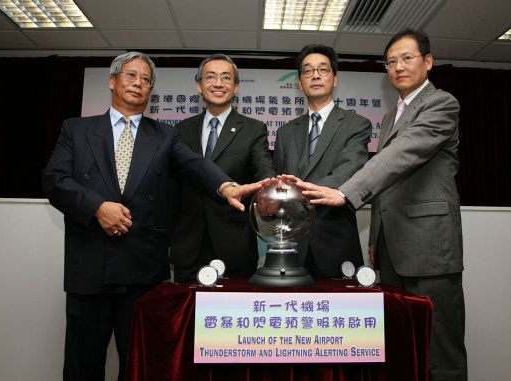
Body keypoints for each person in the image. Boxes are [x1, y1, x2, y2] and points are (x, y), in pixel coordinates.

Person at [43, 51, 263, 381]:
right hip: (89, 268)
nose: (139, 83)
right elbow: (55, 180)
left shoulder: (163, 135)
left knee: (140, 366)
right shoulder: (76, 129)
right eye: (131, 76)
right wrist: (97, 207)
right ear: (112, 81)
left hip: (141, 272)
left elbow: (194, 165)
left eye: (146, 80)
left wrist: (226, 186)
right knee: (82, 365)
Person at [289, 29, 468, 380]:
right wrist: (375, 237)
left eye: (407, 58)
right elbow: (388, 179)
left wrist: (344, 193)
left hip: (430, 248)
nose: (399, 66)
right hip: (392, 248)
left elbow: (403, 156)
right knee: (403, 345)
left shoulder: (441, 104)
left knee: (440, 351)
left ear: (428, 62)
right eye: (391, 61)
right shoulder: (390, 118)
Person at [170, 54, 276, 283]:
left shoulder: (253, 129)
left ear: (236, 86)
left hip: (235, 244)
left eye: (226, 78)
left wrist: (269, 189)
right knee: (184, 315)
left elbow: (263, 167)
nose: (218, 83)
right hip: (188, 245)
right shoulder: (180, 130)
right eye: (210, 77)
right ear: (199, 85)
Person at [273, 44, 372, 278]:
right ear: (299, 82)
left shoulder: (356, 125)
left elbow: (349, 170)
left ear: (335, 79)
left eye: (323, 70)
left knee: (340, 313)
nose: (315, 75)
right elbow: (279, 182)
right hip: (291, 243)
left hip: (335, 240)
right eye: (307, 71)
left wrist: (300, 192)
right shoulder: (285, 132)